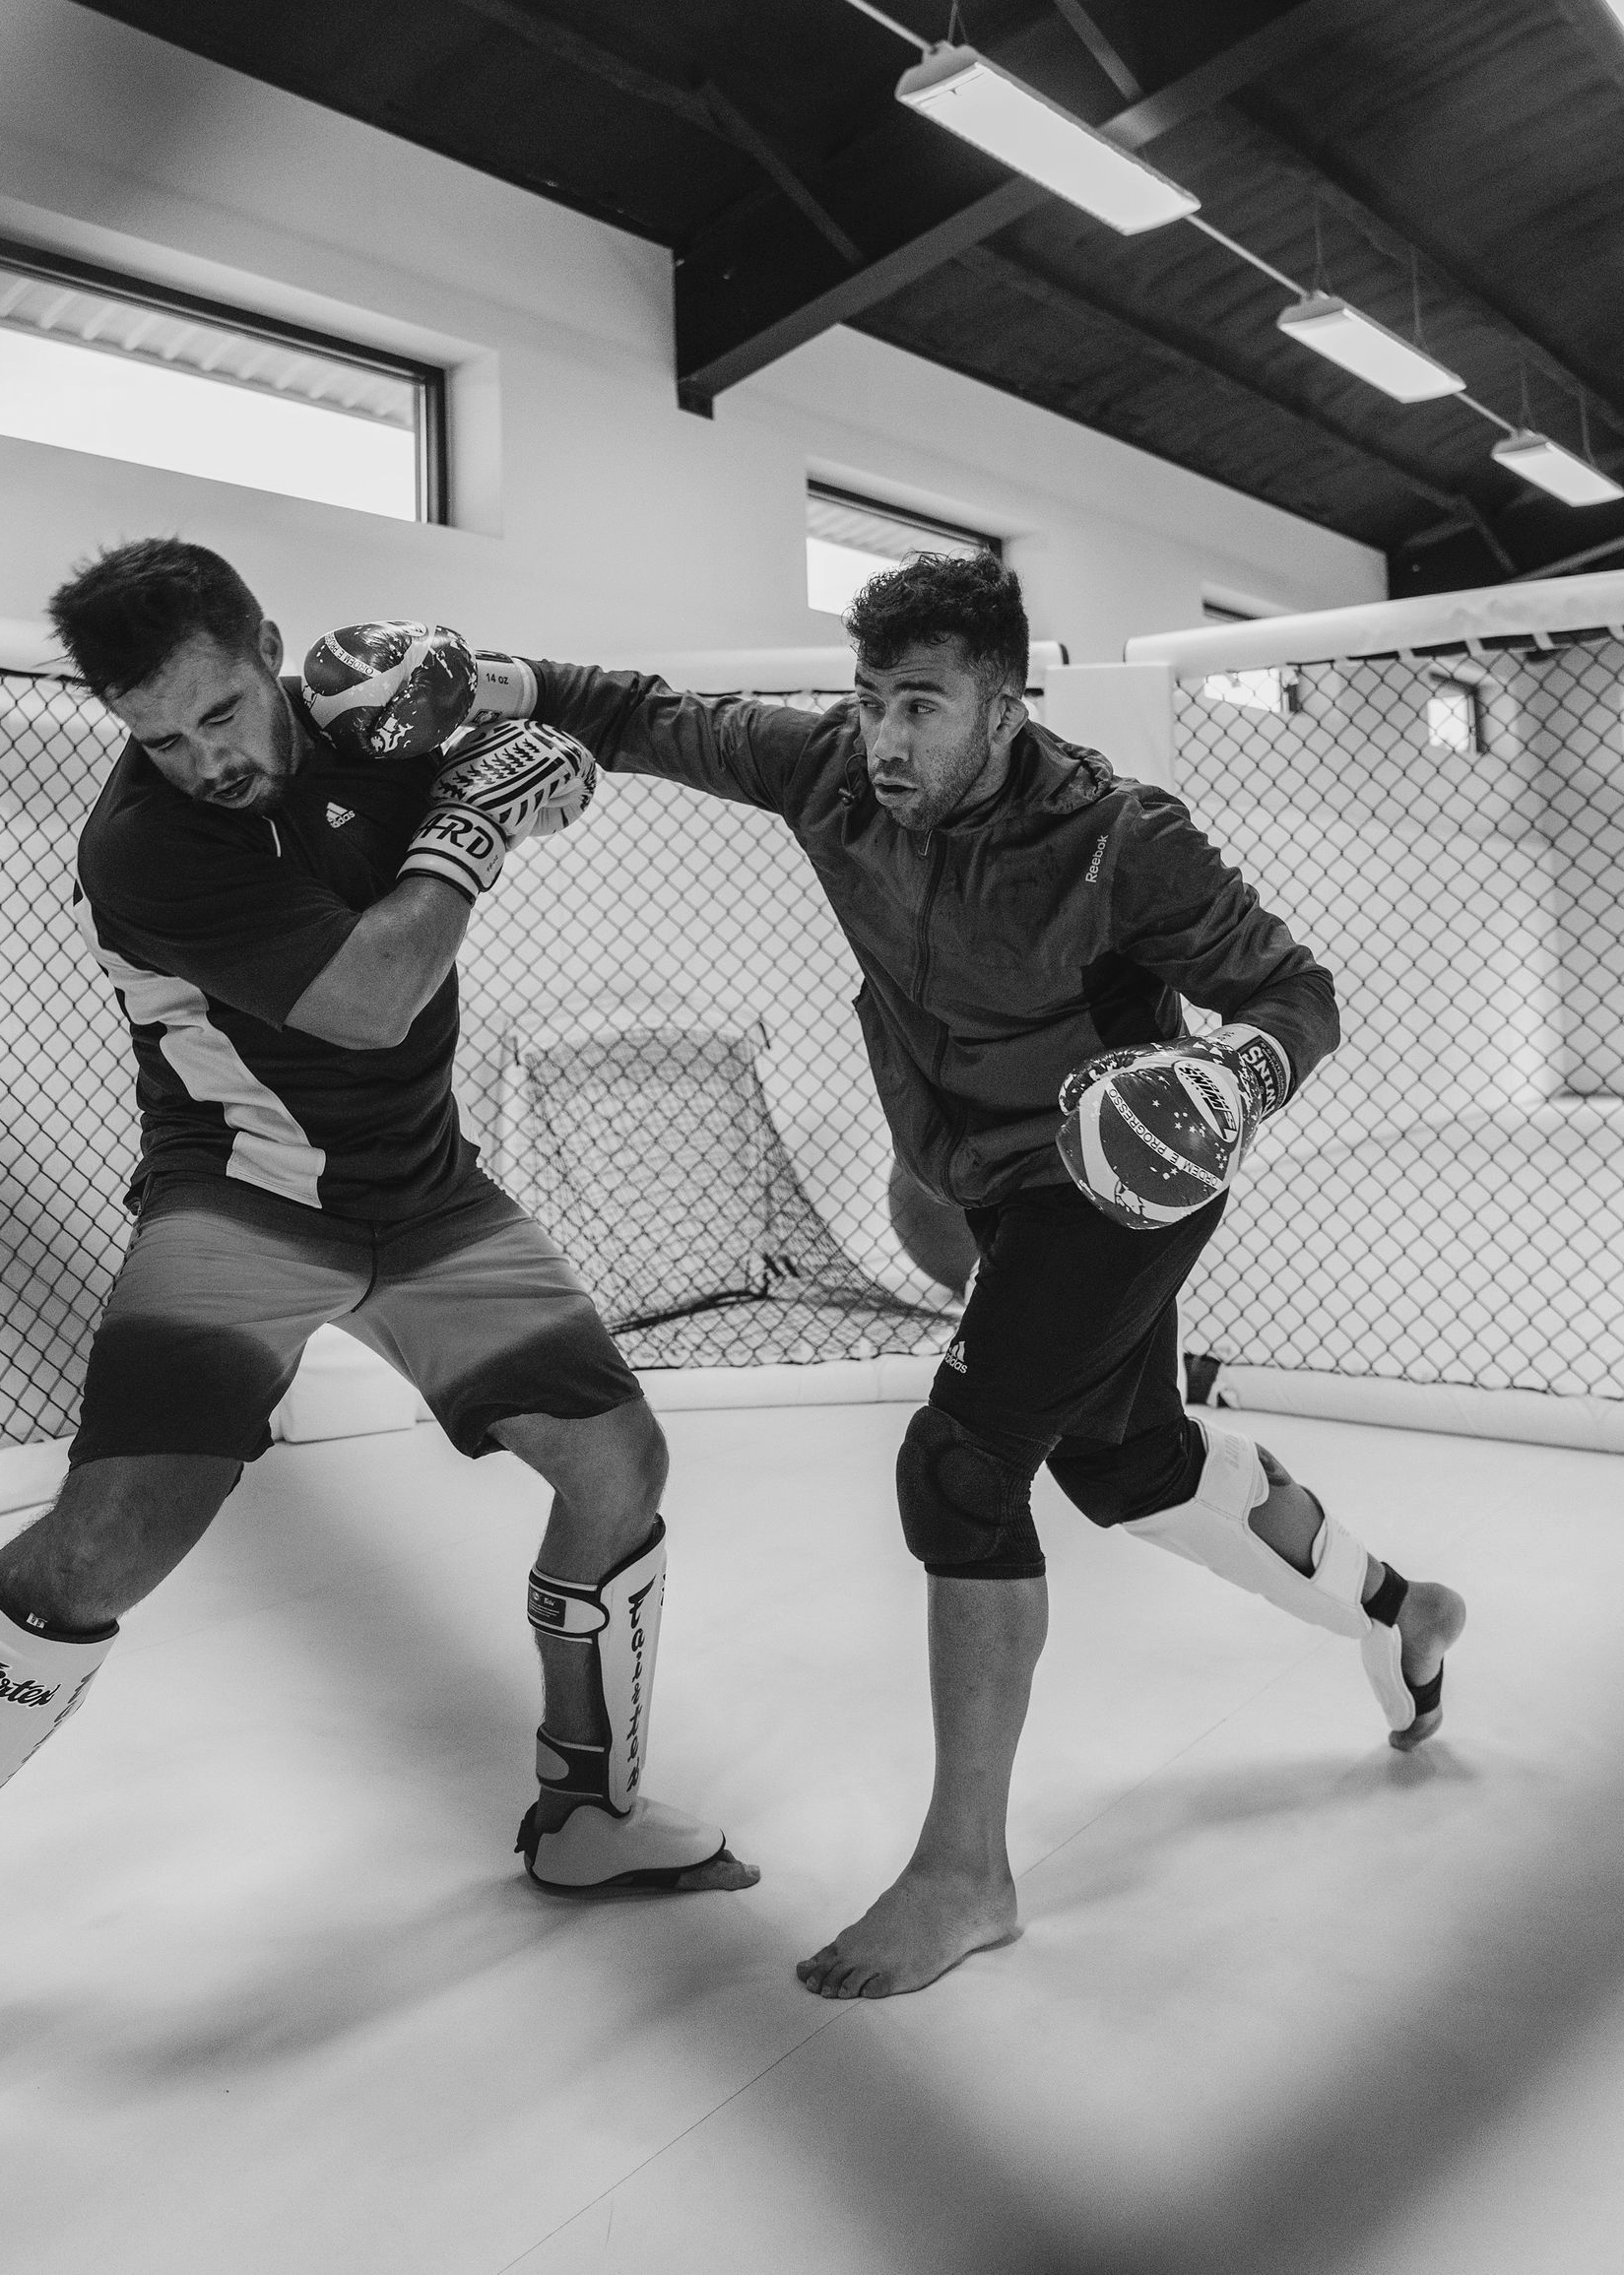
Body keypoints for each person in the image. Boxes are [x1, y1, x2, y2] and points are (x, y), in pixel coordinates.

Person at [0, 542, 752, 2072]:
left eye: (223, 709)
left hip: (428, 1199)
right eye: (163, 734)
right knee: (113, 1538)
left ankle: (587, 1810)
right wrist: (482, 826)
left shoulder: (375, 716)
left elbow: (535, 729)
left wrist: (525, 753)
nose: (206, 756)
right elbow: (370, 995)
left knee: (618, 1462)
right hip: (241, 1199)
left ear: (271, 650)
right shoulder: (144, 846)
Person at [503, 552, 1464, 2000]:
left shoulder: (1118, 836)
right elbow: (635, 711)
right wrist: (495, 679)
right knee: (1130, 1467)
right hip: (973, 1181)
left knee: (961, 1466)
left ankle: (969, 1870)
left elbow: (1296, 991)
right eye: (872, 699)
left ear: (1005, 706)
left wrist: (1236, 1065)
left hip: (1113, 1184)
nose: (887, 739)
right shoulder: (827, 771)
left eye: (924, 706)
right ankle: (1398, 1611)